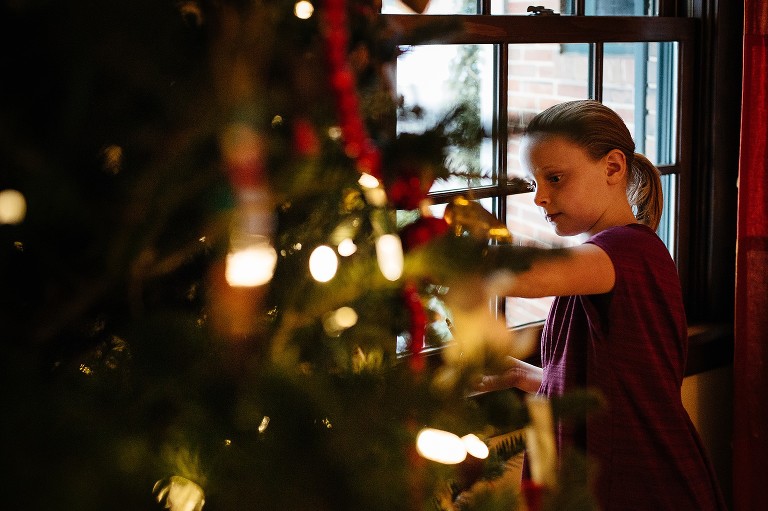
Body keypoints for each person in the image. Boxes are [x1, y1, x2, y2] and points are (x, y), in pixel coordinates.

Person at [477, 100, 727, 510]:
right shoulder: (603, 262)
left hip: (644, 485)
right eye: (535, 181)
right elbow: (605, 389)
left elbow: (531, 275)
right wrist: (525, 375)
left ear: (613, 167)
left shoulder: (627, 250)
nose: (540, 197)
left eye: (555, 178)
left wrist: (428, 252)